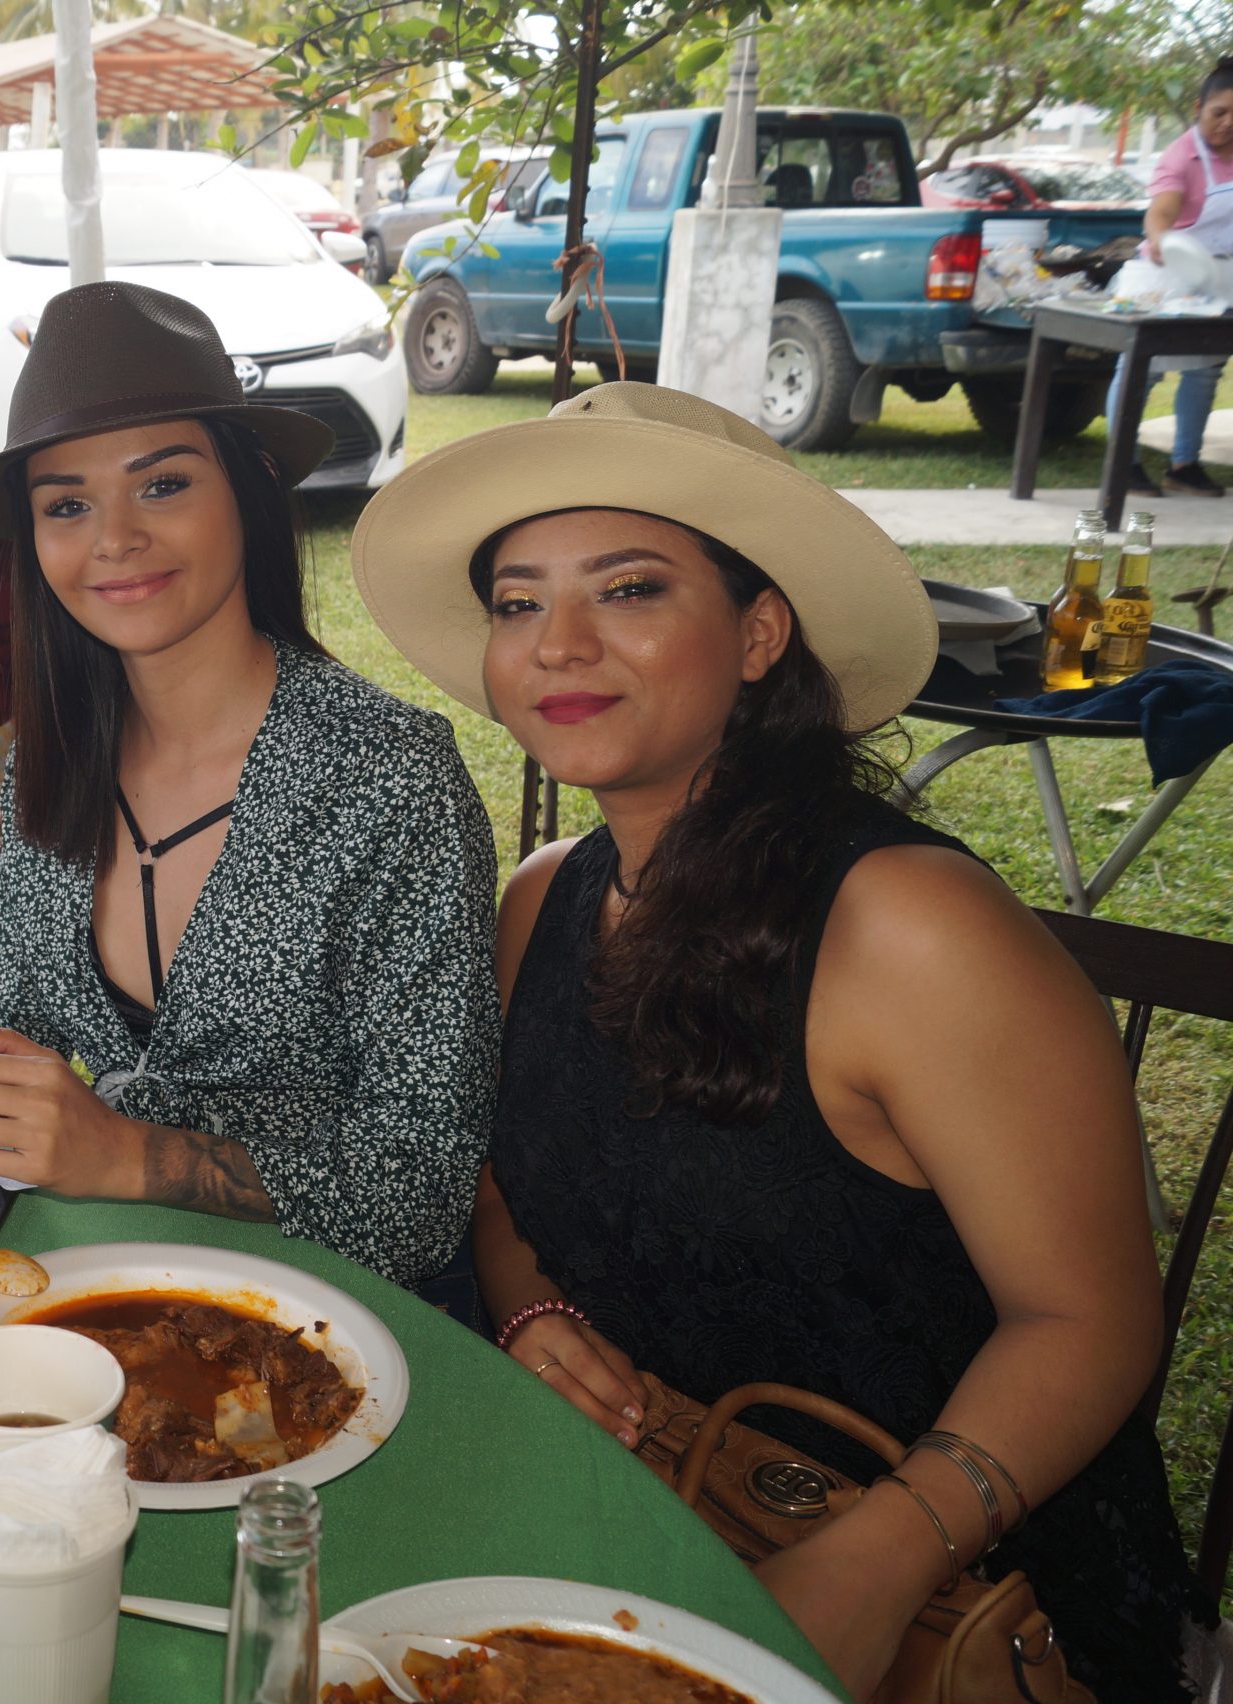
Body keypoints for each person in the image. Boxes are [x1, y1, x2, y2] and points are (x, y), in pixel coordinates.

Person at [354, 382, 1202, 1699]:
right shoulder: (542, 900)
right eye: (519, 604)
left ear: (758, 634)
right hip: (651, 1532)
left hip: (966, 1604)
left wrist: (880, 1558)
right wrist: (530, 1308)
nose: (557, 645)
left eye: (628, 590)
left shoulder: (907, 929)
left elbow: (1088, 1321)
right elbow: (504, 1183)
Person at [0, 282, 501, 1294]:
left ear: (249, 488)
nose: (113, 539)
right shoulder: (47, 761)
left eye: (163, 484)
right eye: (66, 504)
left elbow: (422, 1195)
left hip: (346, 1317)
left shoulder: (391, 781)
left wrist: (131, 1155)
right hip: (112, 1287)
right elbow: (14, 1022)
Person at [1107, 54, 1233, 498]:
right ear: (1199, 107)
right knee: (1141, 371)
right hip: (1163, 276)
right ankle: (1122, 464)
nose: (1228, 124)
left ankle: (1184, 465)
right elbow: (1160, 212)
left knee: (1204, 372)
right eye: (1219, 112)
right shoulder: (1181, 156)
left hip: (1218, 277)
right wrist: (1161, 237)